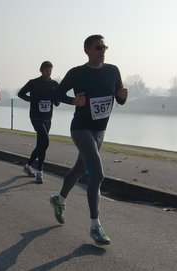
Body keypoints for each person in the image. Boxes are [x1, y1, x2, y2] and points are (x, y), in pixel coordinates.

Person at [49, 35, 128, 245]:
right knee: (98, 173)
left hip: (99, 131)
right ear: (87, 50)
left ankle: (59, 199)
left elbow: (119, 98)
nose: (103, 51)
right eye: (98, 47)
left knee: (79, 170)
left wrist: (123, 95)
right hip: (81, 129)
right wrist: (74, 100)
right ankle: (95, 226)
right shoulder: (77, 73)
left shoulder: (113, 71)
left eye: (105, 47)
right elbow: (56, 95)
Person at [18, 61, 59, 184]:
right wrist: (32, 100)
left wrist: (55, 99)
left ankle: (28, 165)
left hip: (47, 117)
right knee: (45, 142)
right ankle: (40, 172)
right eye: (46, 70)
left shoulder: (54, 84)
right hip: (36, 116)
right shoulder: (33, 82)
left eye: (50, 70)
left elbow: (57, 102)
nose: (48, 72)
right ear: (41, 70)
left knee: (41, 144)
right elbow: (21, 94)